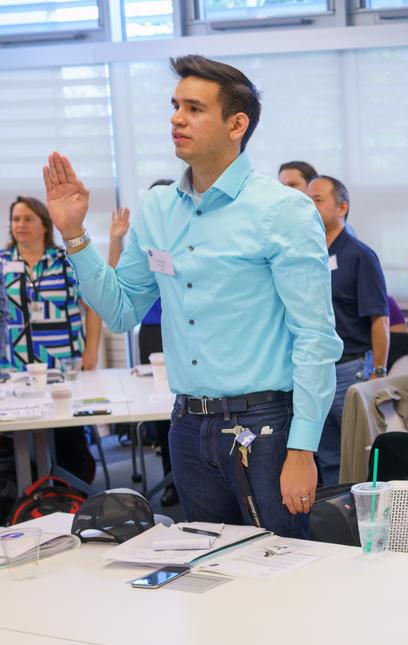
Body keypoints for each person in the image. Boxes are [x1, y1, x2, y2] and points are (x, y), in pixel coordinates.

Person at [43, 55, 342, 537]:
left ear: (236, 125)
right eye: (175, 106)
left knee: (286, 565)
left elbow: (314, 337)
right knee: (210, 565)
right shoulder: (158, 207)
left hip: (266, 427)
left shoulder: (282, 210)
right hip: (187, 425)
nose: (176, 119)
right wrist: (75, 234)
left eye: (194, 108)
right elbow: (121, 311)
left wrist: (303, 448)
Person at [3, 196, 102, 484]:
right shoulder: (3, 262)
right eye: (15, 219)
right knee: (16, 442)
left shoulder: (65, 261)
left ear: (44, 225)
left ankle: (72, 493)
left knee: (67, 439)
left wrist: (91, 352)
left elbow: (94, 308)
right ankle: (29, 496)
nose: (20, 225)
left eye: (27, 219)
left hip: (63, 366)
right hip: (15, 368)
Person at [308, 174, 389, 486]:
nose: (309, 206)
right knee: (328, 456)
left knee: (360, 454)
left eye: (317, 200)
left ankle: (367, 514)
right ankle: (336, 512)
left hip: (351, 369)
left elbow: (379, 320)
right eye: (306, 200)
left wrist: (378, 372)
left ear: (342, 207)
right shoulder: (307, 253)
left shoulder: (359, 255)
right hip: (315, 371)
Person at [108, 178, 179, 507]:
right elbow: (115, 283)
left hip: (187, 327)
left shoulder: (192, 236)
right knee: (160, 407)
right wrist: (115, 239)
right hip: (153, 329)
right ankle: (170, 478)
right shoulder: (147, 239)